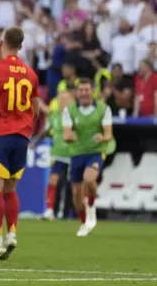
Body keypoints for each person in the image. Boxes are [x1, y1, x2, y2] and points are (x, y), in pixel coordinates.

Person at [0, 26, 47, 260]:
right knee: (10, 188)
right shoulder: (31, 73)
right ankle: (12, 234)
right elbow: (36, 109)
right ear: (21, 46)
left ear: (3, 43)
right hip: (21, 136)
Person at [63, 79, 115, 237]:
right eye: (81, 90)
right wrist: (70, 136)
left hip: (95, 152)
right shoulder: (69, 110)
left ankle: (91, 206)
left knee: (89, 178)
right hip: (77, 154)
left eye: (87, 89)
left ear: (92, 91)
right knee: (76, 196)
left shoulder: (103, 109)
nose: (84, 93)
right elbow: (66, 134)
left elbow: (108, 133)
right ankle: (85, 222)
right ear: (77, 93)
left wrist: (103, 138)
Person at [33, 90, 75, 220]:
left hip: (73, 155)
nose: (61, 102)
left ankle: (71, 212)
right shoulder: (54, 116)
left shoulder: (75, 117)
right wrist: (34, 142)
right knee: (53, 181)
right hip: (58, 154)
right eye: (60, 100)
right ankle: (49, 210)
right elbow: (46, 130)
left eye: (64, 99)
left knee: (72, 184)